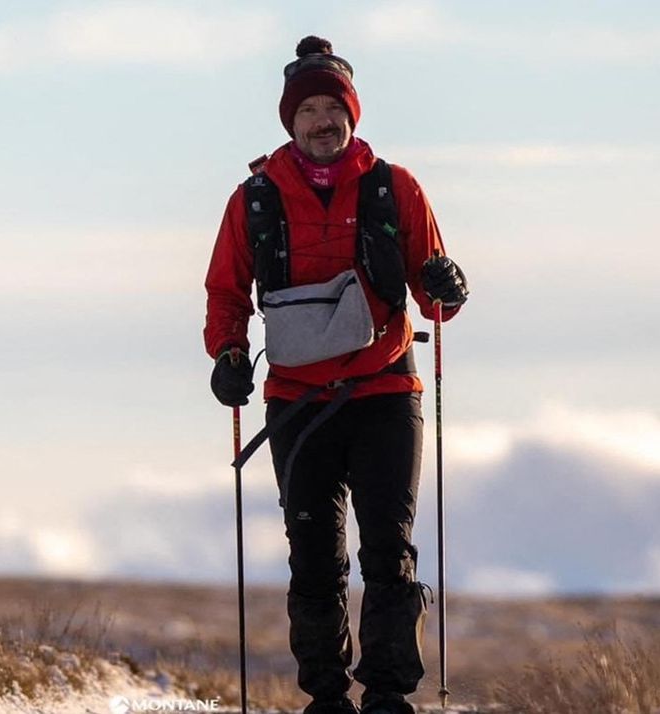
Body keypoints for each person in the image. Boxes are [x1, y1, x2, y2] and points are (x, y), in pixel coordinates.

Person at [204, 36, 468, 714]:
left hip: (385, 393)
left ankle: (387, 696)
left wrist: (449, 286)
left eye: (334, 108)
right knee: (315, 559)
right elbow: (226, 293)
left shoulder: (395, 188)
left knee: (389, 551)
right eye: (310, 109)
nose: (323, 121)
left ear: (352, 115)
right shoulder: (254, 200)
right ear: (290, 121)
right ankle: (325, 697)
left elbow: (435, 300)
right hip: (297, 403)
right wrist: (228, 357)